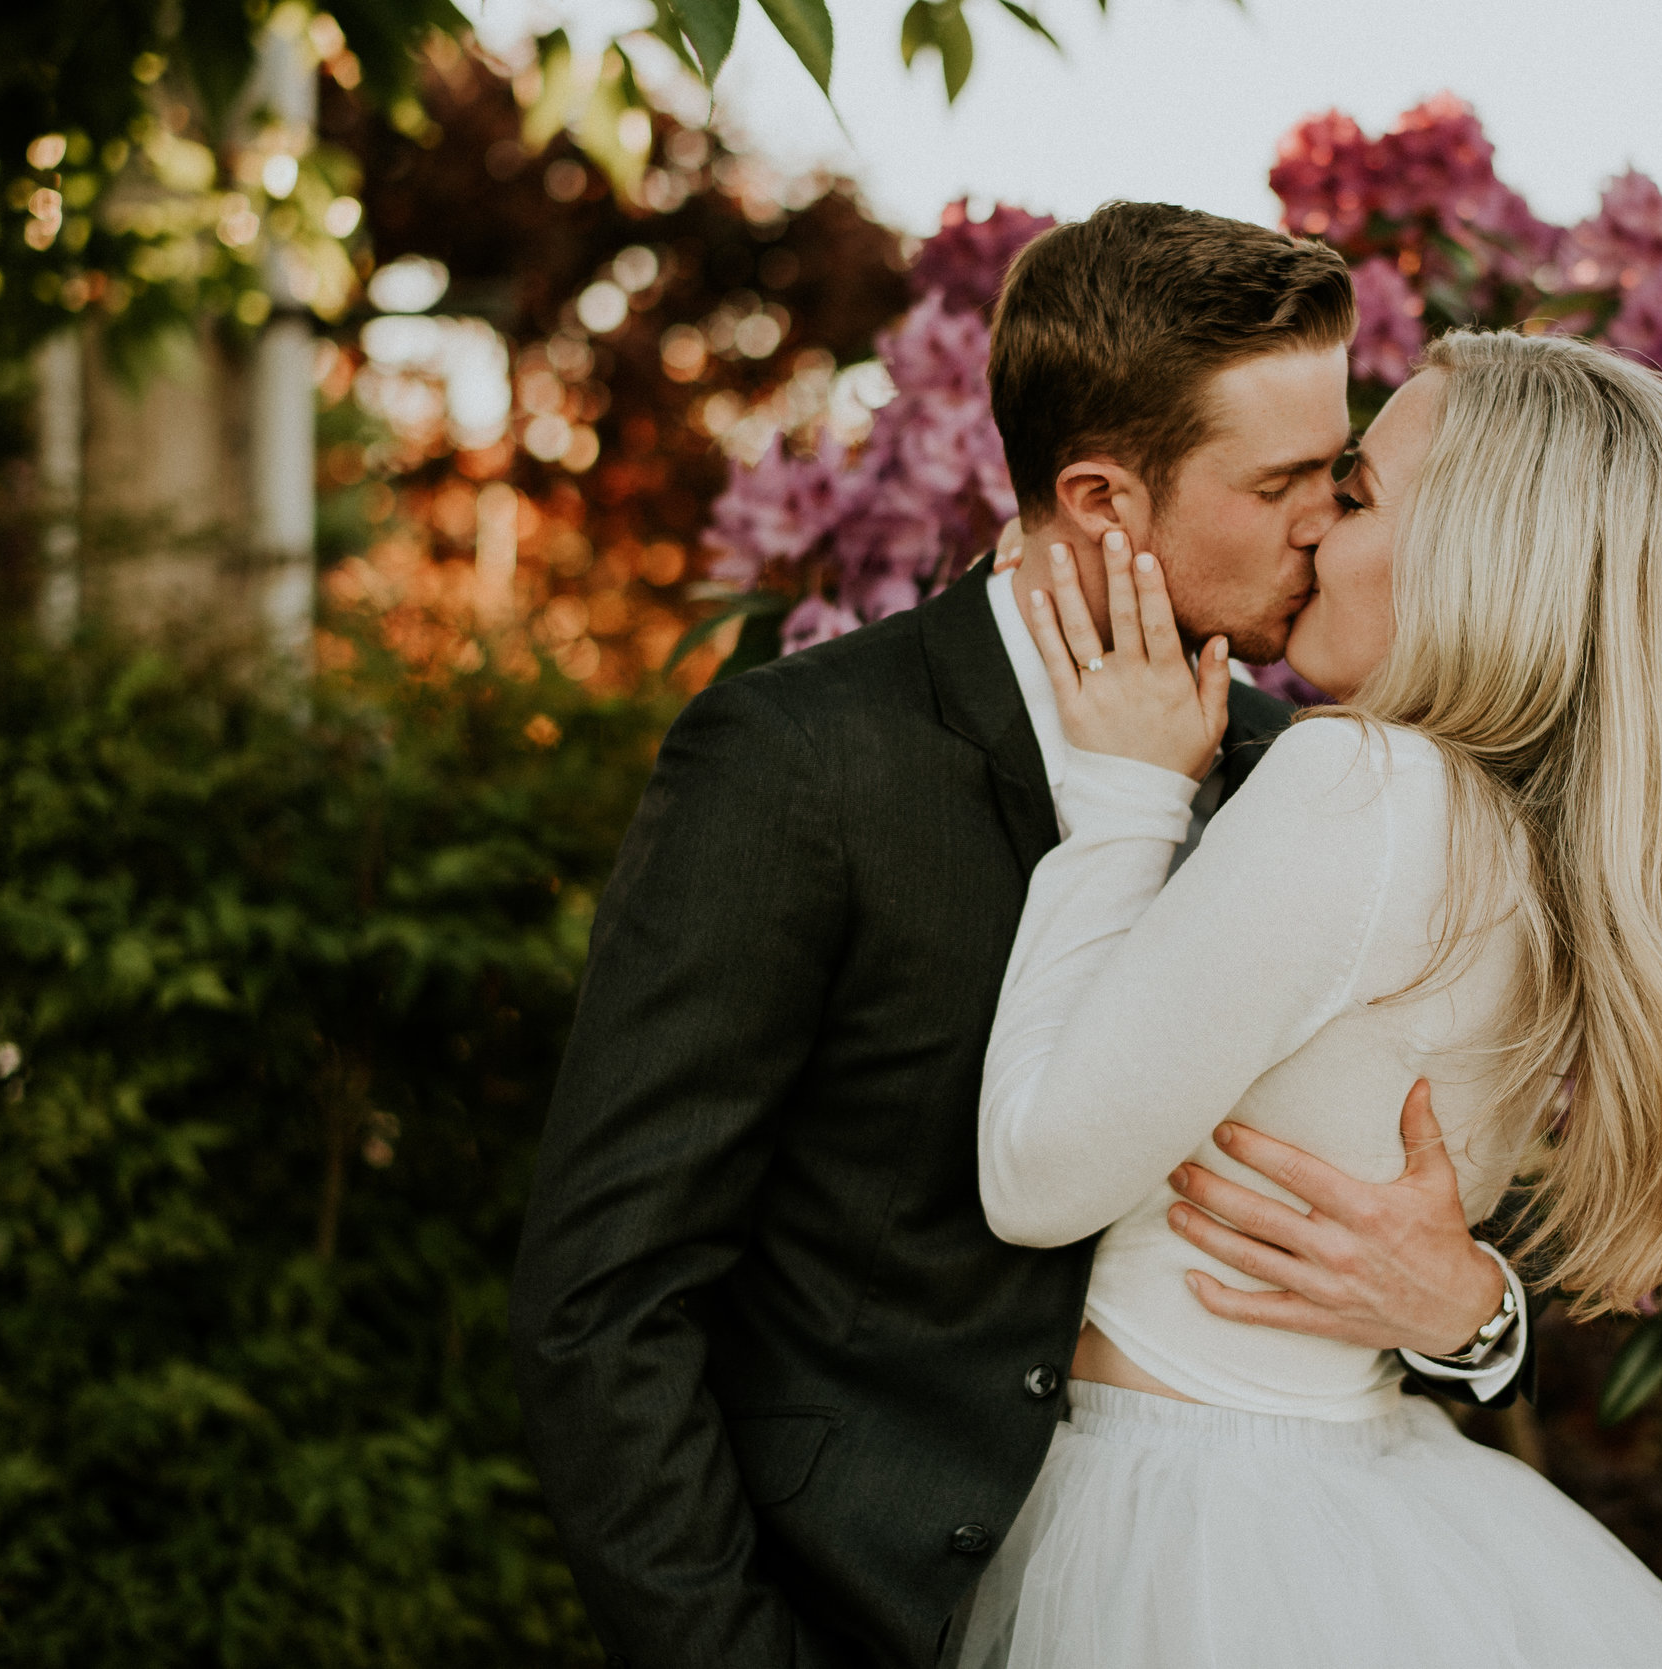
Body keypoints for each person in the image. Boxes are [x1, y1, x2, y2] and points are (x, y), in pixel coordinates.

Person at [508, 204, 1536, 1669]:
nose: (1329, 515)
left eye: (1343, 468)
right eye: (1286, 479)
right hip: (844, 1617)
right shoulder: (799, 762)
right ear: (1106, 500)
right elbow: (603, 1301)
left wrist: (1475, 1310)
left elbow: (1443, 1174)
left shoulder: (1299, 779)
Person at [960, 329, 1662, 1667]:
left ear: (1476, 557)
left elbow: (1037, 1175)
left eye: (1353, 497)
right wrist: (1482, 1318)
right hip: (1352, 1489)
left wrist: (1125, 795)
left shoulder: (1366, 790)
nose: (1310, 534)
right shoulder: (1537, 833)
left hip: (1184, 1518)